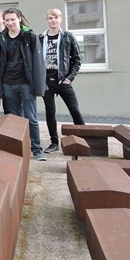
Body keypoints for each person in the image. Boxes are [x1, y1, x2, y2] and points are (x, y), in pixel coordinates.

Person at [0, 8, 47, 161]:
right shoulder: (1, 39)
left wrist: (38, 85)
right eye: (7, 20)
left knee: (31, 117)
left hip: (26, 83)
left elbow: (38, 62)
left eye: (12, 19)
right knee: (14, 119)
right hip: (8, 83)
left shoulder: (30, 36)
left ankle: (37, 149)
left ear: (19, 19)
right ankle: (19, 149)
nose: (10, 23)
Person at [39, 8, 85, 153]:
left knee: (75, 110)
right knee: (50, 112)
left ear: (61, 19)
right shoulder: (41, 38)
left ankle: (84, 140)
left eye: (56, 18)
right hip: (47, 82)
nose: (53, 20)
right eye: (50, 18)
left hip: (62, 80)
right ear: (47, 20)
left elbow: (77, 60)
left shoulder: (68, 37)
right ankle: (54, 143)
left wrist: (69, 78)